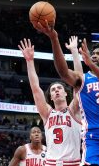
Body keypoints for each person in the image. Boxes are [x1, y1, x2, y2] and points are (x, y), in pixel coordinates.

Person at [34, 22, 99, 166]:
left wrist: (91, 64)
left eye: (98, 54)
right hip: (95, 138)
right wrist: (54, 38)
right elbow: (63, 72)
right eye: (93, 53)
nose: (94, 55)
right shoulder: (82, 79)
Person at [18, 38, 81, 166]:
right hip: (50, 163)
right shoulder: (47, 113)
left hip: (73, 163)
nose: (56, 90)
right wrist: (29, 61)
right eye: (53, 90)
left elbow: (79, 82)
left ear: (65, 93)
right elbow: (35, 88)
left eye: (59, 88)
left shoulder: (74, 110)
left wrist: (74, 51)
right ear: (51, 97)